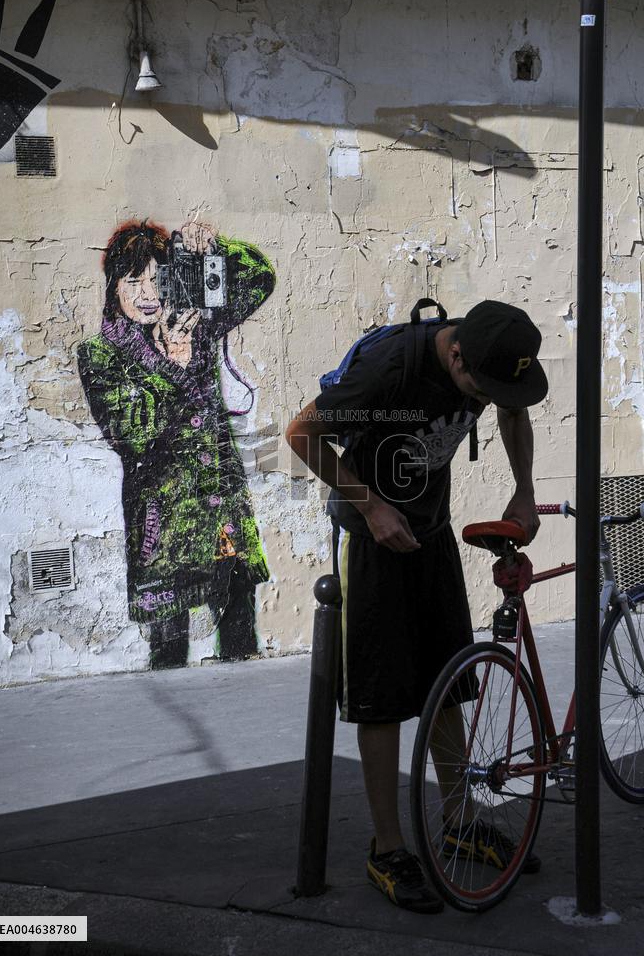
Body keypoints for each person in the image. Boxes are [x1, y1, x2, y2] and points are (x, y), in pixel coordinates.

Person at [285, 300, 548, 913]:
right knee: (382, 696)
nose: (487, 398)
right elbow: (302, 434)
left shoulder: (488, 361)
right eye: (478, 387)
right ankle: (388, 848)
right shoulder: (392, 371)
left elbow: (512, 410)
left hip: (430, 531)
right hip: (371, 540)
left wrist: (526, 489)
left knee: (448, 681)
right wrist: (373, 506)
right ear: (455, 354)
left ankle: (459, 819)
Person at [78, 220, 275, 666]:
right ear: (114, 287)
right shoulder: (102, 354)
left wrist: (217, 248)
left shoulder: (195, 321)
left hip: (223, 519)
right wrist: (172, 364)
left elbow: (260, 279)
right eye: (134, 281)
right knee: (168, 653)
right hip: (164, 533)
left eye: (157, 278)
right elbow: (131, 434)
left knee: (240, 642)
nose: (148, 293)